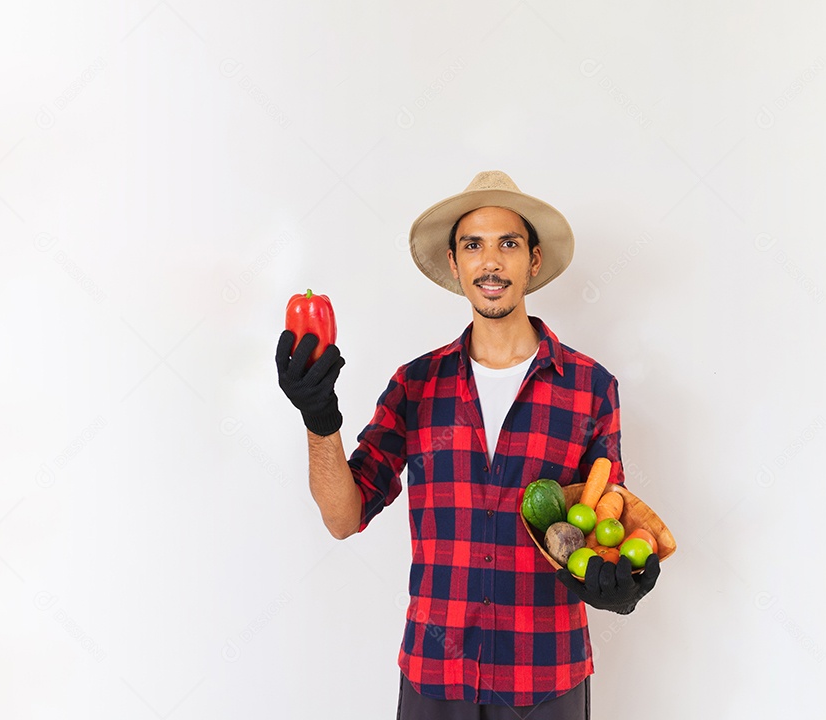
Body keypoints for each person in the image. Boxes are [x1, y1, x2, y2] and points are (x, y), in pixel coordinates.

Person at [276, 171, 660, 719]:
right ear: (455, 265)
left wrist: (621, 581)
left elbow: (608, 513)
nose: (491, 261)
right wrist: (320, 420)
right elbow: (342, 516)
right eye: (473, 245)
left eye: (508, 243)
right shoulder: (415, 385)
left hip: (546, 677)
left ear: (533, 261)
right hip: (437, 677)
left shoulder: (590, 387)